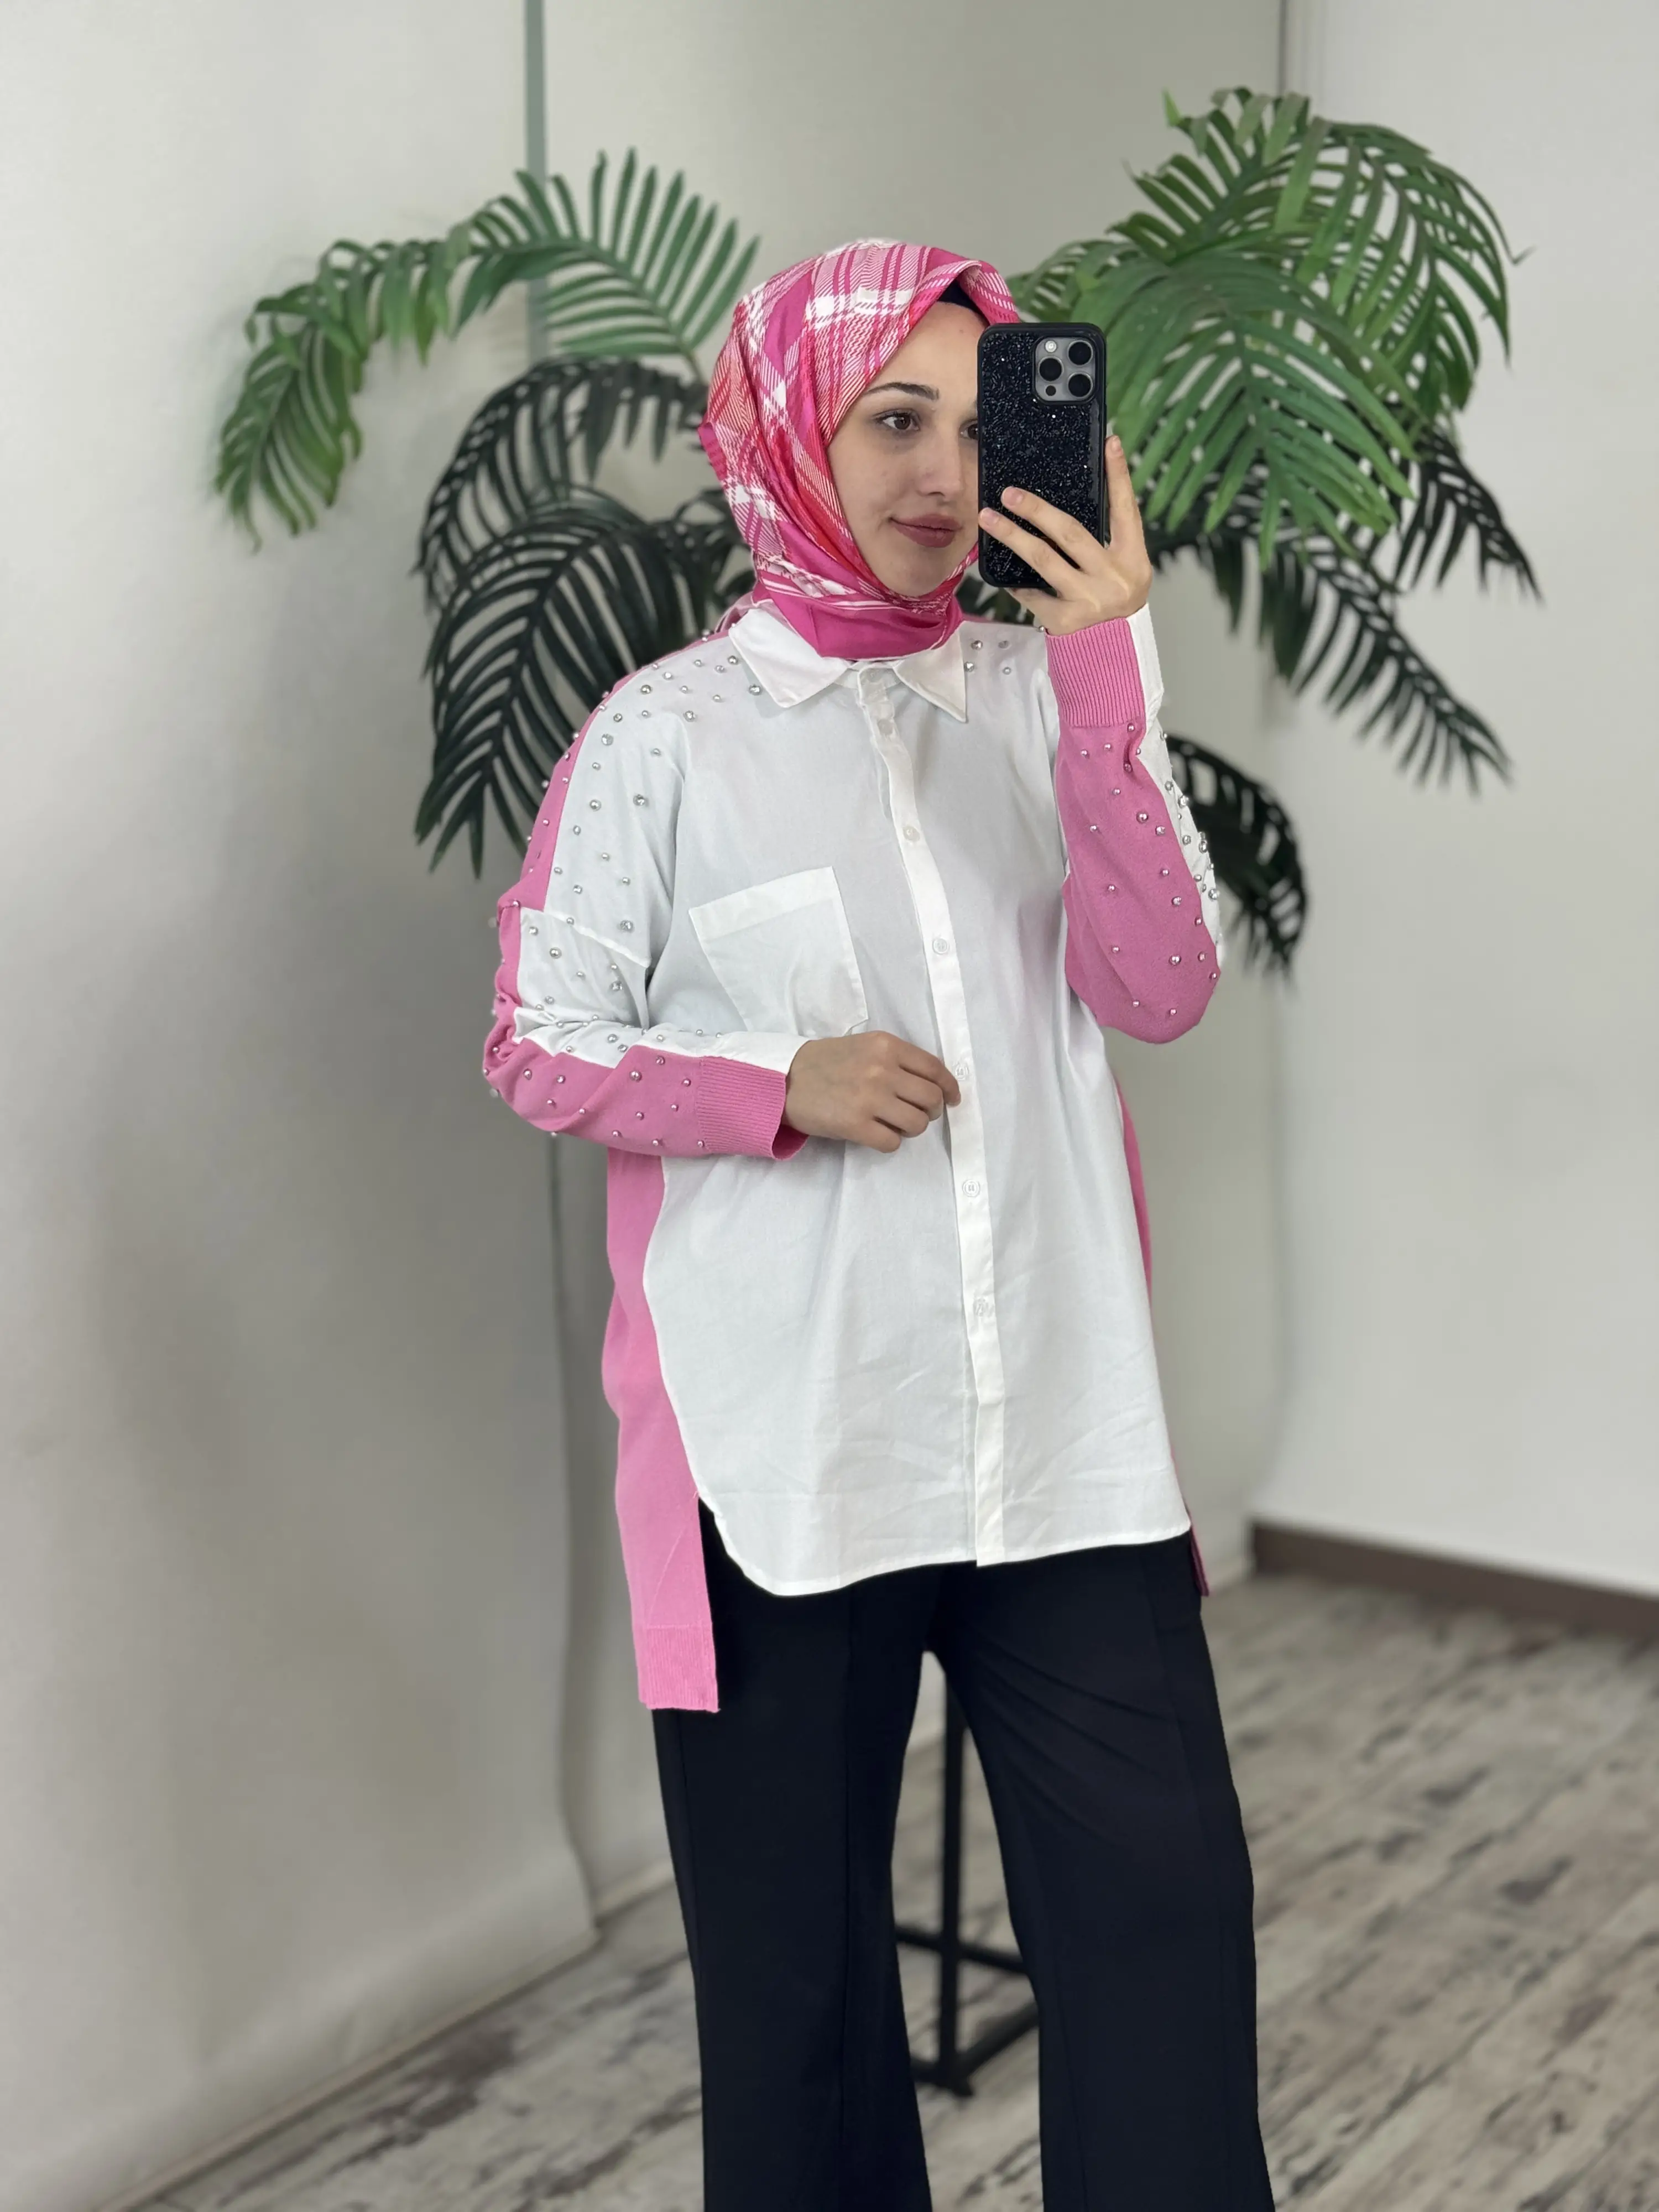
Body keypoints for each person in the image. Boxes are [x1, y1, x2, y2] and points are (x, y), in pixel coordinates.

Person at [483, 240, 1274, 2212]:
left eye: (980, 423)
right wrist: (774, 1086)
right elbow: (539, 1043)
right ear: (788, 433)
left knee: (1169, 1956)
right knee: (804, 2024)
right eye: (892, 419)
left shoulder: (1052, 691)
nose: (942, 473)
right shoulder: (665, 735)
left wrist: (1105, 664)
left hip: (1063, 1451)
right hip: (791, 1462)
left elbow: (1164, 985)